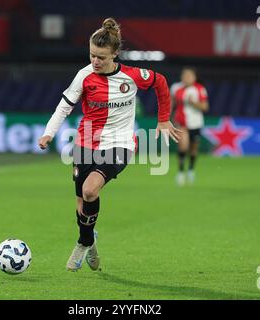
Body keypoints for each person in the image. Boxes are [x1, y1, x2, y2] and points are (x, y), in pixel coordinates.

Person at [38, 17, 181, 272]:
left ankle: (83, 242)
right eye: (92, 55)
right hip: (86, 141)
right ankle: (90, 240)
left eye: (101, 57)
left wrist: (163, 119)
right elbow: (64, 107)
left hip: (120, 143)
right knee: (82, 201)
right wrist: (49, 133)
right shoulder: (84, 76)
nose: (95, 61)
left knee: (91, 190)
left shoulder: (132, 76)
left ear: (115, 54)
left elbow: (160, 82)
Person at [170, 67, 209, 186]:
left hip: (195, 123)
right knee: (183, 146)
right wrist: (166, 117)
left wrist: (194, 103)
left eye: (189, 75)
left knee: (193, 149)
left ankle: (191, 169)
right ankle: (181, 172)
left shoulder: (199, 89)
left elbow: (205, 107)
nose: (187, 78)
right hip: (181, 123)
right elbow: (171, 103)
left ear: (194, 77)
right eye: (185, 75)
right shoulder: (176, 88)